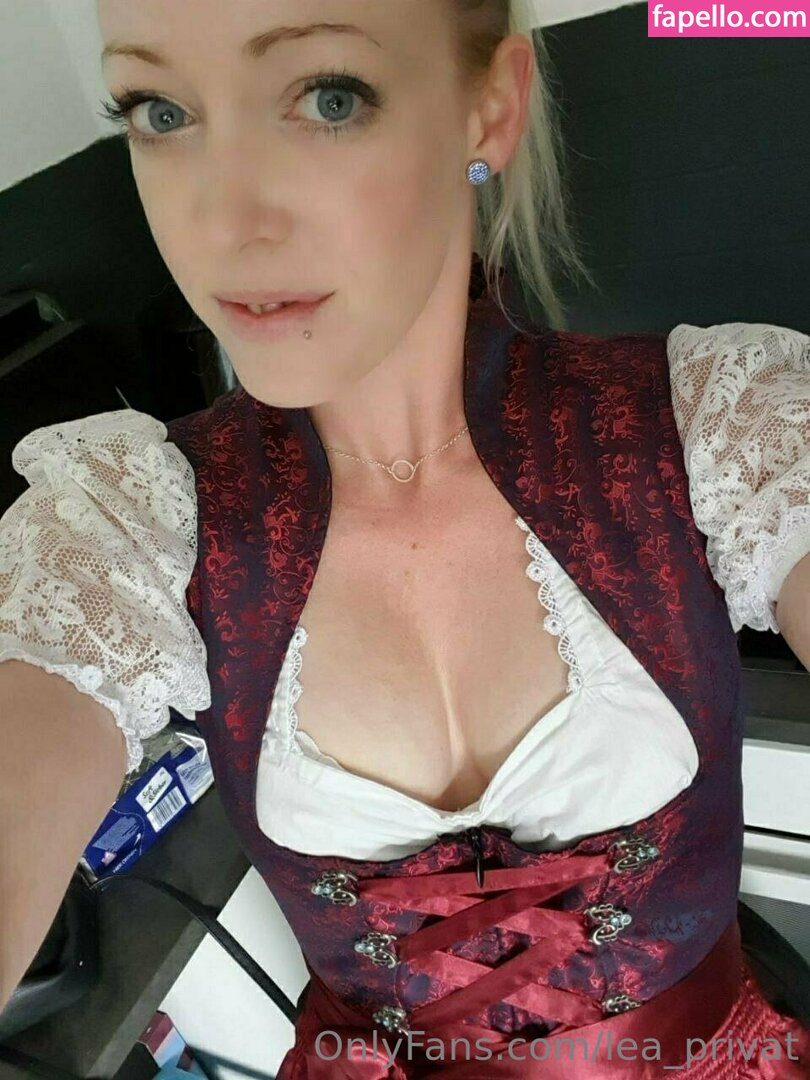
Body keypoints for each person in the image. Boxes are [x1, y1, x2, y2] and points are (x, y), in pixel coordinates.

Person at [1, 1, 809, 1076]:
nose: (224, 221)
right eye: (160, 111)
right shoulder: (124, 519)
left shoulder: (713, 426)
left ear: (490, 111)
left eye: (330, 98)